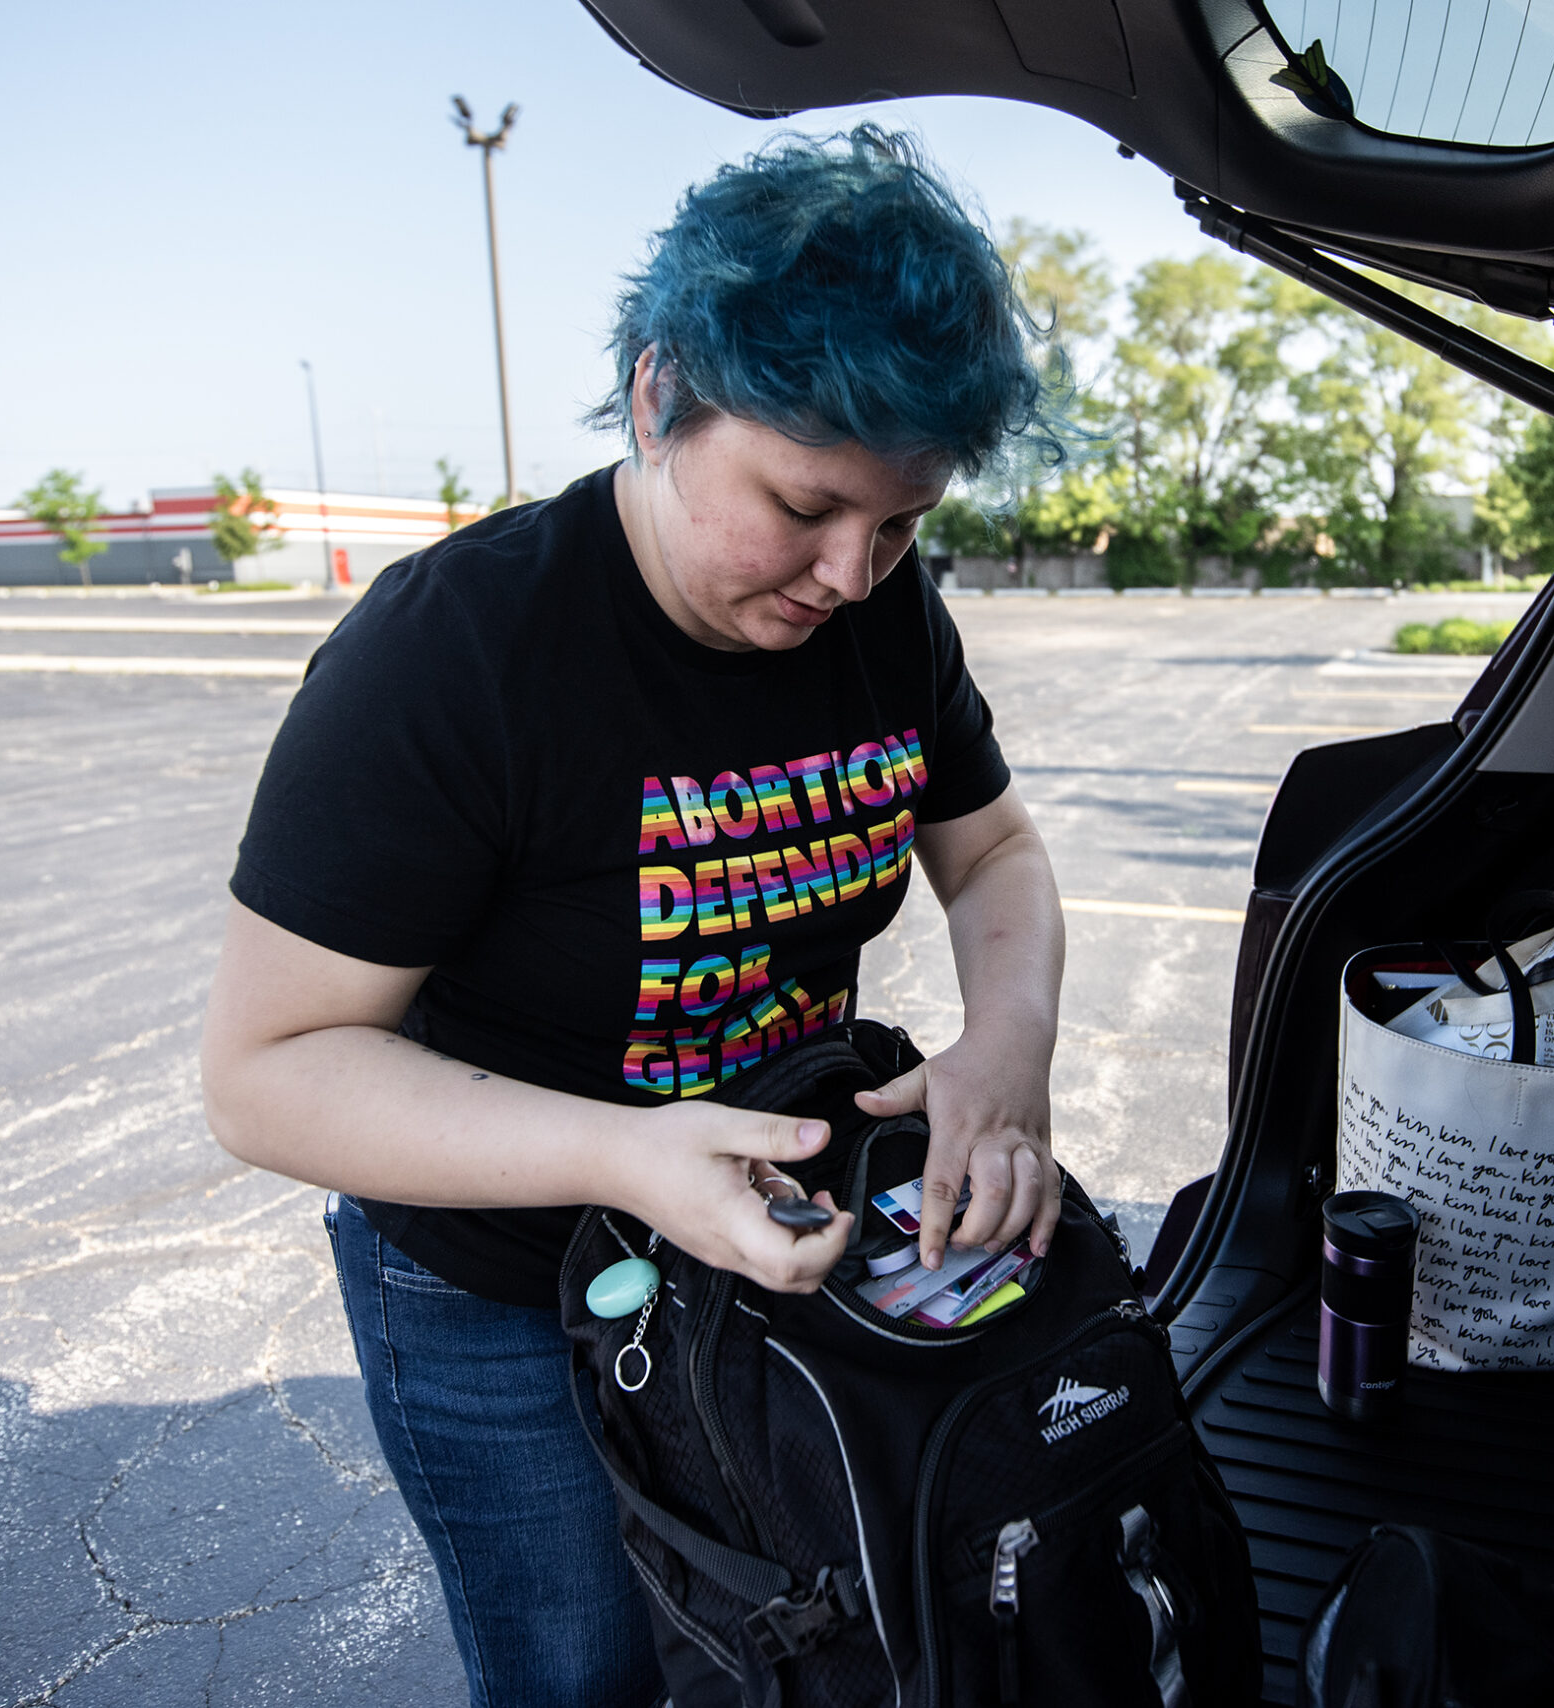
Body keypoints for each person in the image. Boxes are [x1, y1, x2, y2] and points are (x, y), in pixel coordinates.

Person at [201, 127, 1067, 1708]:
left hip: (752, 1247)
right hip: (502, 1289)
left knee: (781, 1642)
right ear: (663, 394)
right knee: (584, 1672)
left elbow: (996, 851)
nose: (852, 574)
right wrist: (623, 1153)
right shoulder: (456, 652)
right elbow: (266, 1070)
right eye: (805, 505)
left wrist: (1005, 1052)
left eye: (902, 523)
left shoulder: (883, 613)